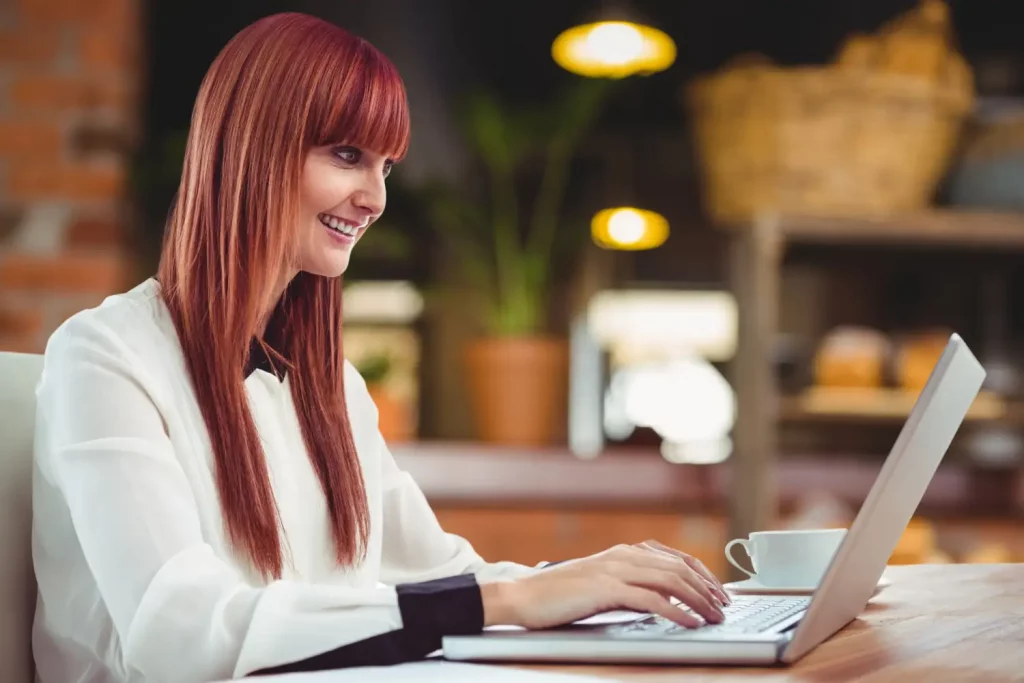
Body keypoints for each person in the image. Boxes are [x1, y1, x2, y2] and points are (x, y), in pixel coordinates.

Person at [30, 12, 729, 683]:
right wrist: (510, 602)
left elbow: (435, 575)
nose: (374, 197)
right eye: (346, 155)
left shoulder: (326, 384)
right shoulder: (104, 358)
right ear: (254, 148)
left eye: (386, 166)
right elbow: (179, 630)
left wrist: (581, 584)